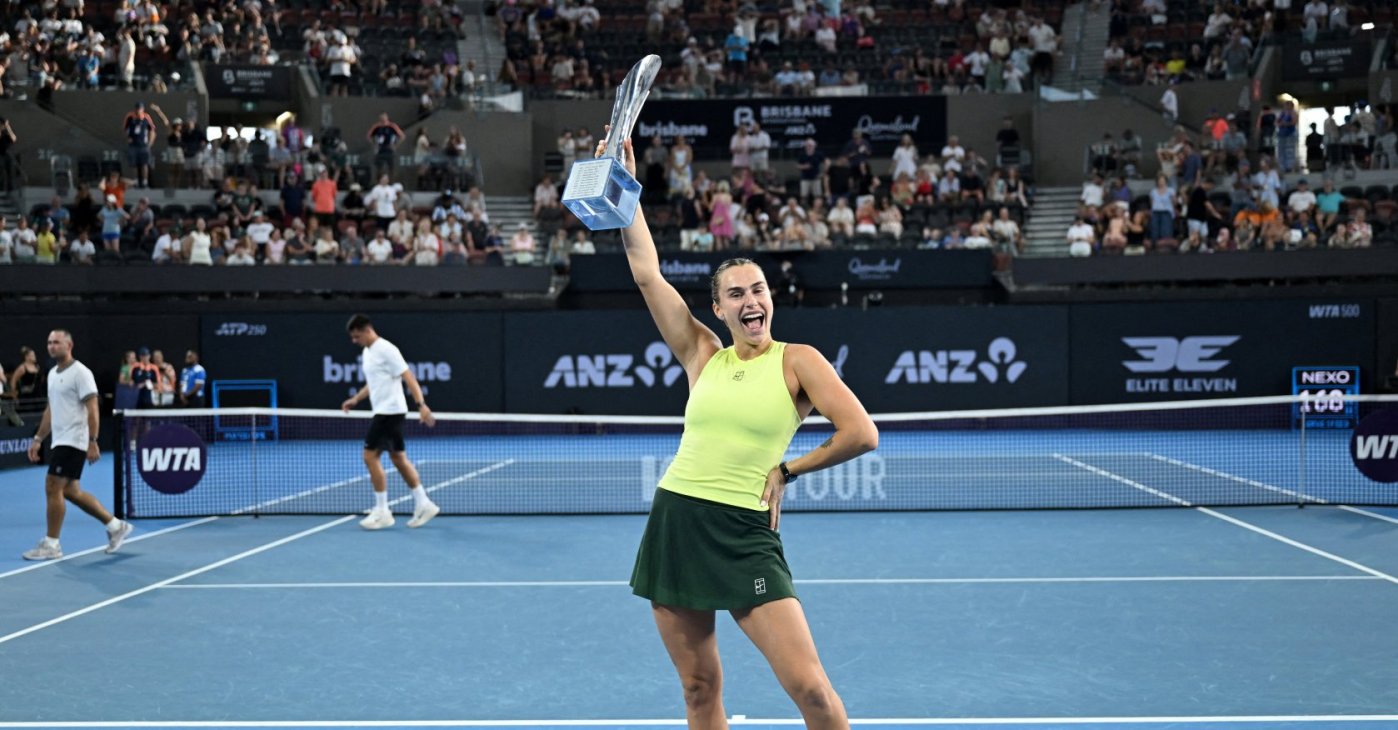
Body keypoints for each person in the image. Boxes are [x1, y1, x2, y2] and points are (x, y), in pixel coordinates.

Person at [600, 131, 879, 728]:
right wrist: (627, 189)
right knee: (700, 689)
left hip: (745, 532)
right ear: (720, 310)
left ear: (769, 299)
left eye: (758, 290)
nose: (751, 301)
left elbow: (861, 432)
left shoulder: (798, 360)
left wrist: (789, 469)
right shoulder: (703, 354)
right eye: (736, 294)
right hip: (677, 521)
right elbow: (648, 273)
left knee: (811, 691)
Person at [22, 330, 133, 560]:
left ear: (69, 345)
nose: (52, 346)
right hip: (60, 440)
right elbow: (51, 410)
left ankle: (52, 545)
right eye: (49, 342)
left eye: (57, 342)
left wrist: (93, 441)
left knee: (52, 485)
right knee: (71, 491)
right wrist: (37, 439)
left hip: (75, 440)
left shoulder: (81, 373)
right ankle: (115, 526)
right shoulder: (52, 374)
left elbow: (93, 409)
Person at [339, 314, 440, 530]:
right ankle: (424, 503)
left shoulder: (387, 349)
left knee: (369, 456)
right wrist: (356, 399)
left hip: (389, 413)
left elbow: (409, 377)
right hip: (387, 412)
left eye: (357, 336)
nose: (354, 341)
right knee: (398, 458)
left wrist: (421, 405)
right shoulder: (368, 353)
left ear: (367, 330)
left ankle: (382, 510)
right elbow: (374, 383)